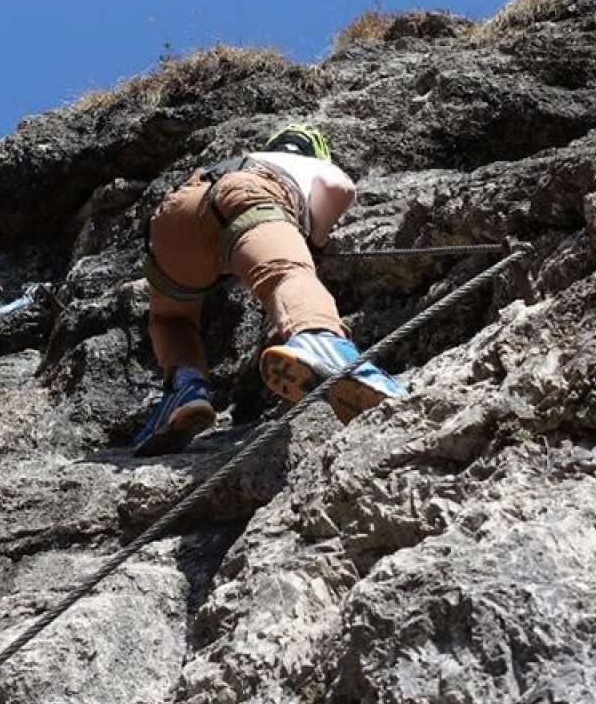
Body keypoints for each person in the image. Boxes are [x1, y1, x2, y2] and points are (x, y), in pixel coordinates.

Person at [133, 123, 406, 456]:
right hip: (249, 195)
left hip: (173, 217)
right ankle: (320, 341)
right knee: (288, 275)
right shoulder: (308, 165)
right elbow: (339, 186)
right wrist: (312, 240)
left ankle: (185, 386)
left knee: (171, 319)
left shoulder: (247, 156)